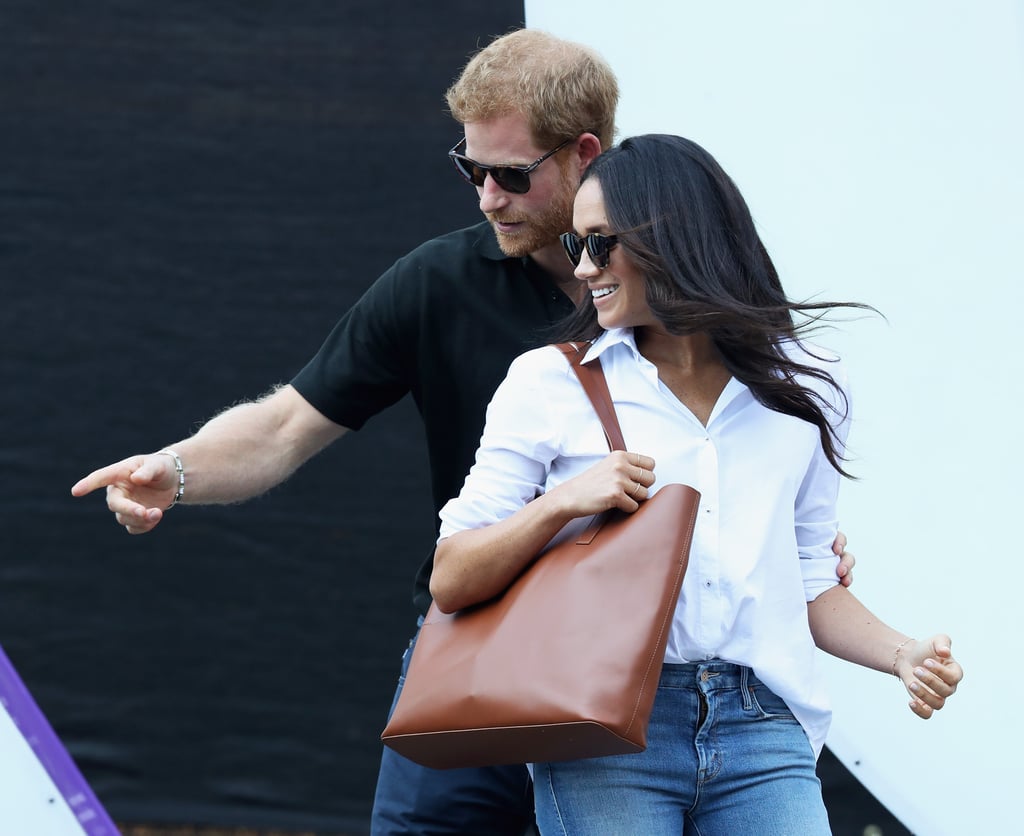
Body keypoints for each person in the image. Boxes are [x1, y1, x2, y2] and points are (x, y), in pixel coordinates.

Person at [70, 32, 855, 836]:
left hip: (642, 684)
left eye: (512, 175)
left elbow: (758, 482)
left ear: (586, 154)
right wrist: (177, 468)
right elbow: (284, 425)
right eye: (469, 169)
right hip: (482, 649)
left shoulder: (685, 303)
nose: (486, 196)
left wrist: (780, 562)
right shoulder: (437, 282)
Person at [429, 134, 963, 835]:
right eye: (575, 247)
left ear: (671, 239)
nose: (585, 269)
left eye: (600, 244)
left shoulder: (808, 384)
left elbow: (807, 576)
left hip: (763, 725)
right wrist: (565, 501)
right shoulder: (550, 383)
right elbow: (452, 575)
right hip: (607, 724)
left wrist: (903, 654)